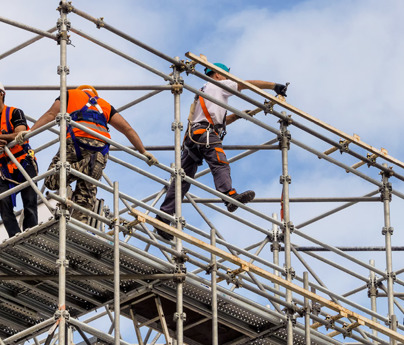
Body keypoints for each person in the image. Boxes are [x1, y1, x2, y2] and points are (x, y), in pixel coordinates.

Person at [155, 63, 287, 240]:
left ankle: (163, 217)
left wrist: (235, 116)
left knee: (182, 180)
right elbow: (246, 84)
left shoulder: (205, 90)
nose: (228, 79)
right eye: (225, 75)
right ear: (216, 75)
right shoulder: (219, 85)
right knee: (220, 163)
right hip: (205, 135)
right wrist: (274, 86)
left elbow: (212, 120)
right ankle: (229, 196)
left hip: (194, 137)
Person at [16, 85, 158, 223]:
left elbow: (51, 114)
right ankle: (79, 223)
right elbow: (127, 129)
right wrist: (143, 152)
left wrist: (30, 132)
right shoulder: (105, 105)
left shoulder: (70, 94)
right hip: (100, 149)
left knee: (51, 180)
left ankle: (88, 165)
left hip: (76, 142)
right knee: (85, 194)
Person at [0, 82, 38, 239]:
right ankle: (15, 236)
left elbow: (20, 135)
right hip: (2, 168)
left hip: (23, 161)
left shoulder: (15, 113)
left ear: (1, 94)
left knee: (29, 200)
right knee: (3, 202)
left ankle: (31, 235)